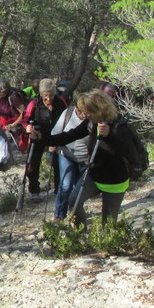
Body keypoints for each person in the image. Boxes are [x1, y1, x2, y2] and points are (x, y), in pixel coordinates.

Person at [45, 89, 134, 227]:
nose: (84, 114)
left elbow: (126, 151)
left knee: (108, 225)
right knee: (74, 200)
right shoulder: (90, 123)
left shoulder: (119, 125)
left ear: (97, 109)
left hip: (115, 180)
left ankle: (107, 245)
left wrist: (109, 136)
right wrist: (41, 139)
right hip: (94, 175)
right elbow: (69, 136)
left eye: (87, 111)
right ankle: (81, 232)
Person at [23, 78, 67, 196]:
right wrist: (28, 127)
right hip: (37, 135)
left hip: (56, 136)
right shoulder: (34, 103)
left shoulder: (61, 102)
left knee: (57, 164)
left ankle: (58, 189)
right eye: (45, 96)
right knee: (33, 164)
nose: (48, 99)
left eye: (51, 96)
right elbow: (25, 120)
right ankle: (34, 190)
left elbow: (67, 118)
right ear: (41, 94)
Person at [49, 96, 88, 222]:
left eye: (85, 112)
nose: (83, 115)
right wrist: (52, 144)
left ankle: (75, 214)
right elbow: (55, 132)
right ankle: (59, 214)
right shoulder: (68, 113)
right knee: (65, 185)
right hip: (66, 153)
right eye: (80, 111)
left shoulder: (93, 117)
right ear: (75, 108)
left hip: (84, 158)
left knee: (78, 189)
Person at [0, 79, 28, 152]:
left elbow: (24, 113)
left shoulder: (14, 97)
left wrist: (13, 125)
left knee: (3, 140)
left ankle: (5, 159)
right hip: (3, 122)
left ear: (4, 91)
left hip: (16, 123)